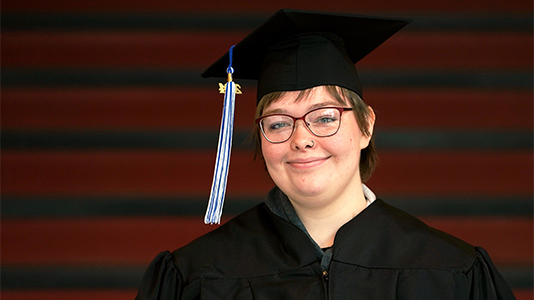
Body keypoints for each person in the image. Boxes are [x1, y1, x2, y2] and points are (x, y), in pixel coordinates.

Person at [136, 9, 516, 299]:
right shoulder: (196, 276)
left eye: (324, 117)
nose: (301, 139)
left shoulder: (452, 271)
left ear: (366, 126)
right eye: (279, 123)